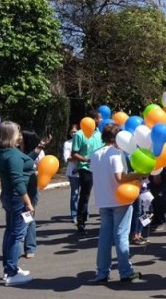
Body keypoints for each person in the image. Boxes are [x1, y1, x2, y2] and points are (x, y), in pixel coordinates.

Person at [0, 121, 47, 286]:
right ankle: (11, 272)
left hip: (10, 196)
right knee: (17, 235)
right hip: (17, 198)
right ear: (10, 135)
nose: (20, 135)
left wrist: (38, 149)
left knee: (11, 233)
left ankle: (10, 269)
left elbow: (24, 161)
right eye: (18, 132)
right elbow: (18, 180)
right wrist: (28, 202)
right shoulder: (12, 154)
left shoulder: (4, 151)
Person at [91, 124, 144, 284]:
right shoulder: (116, 154)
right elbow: (120, 177)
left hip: (103, 199)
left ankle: (102, 273)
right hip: (119, 199)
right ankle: (125, 272)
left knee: (105, 237)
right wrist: (138, 175)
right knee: (121, 236)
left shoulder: (95, 154)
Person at [72, 109, 104, 235]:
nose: (101, 120)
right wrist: (86, 159)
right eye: (99, 118)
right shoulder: (79, 134)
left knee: (102, 193)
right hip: (86, 169)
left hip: (100, 168)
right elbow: (74, 153)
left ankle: (104, 221)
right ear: (93, 120)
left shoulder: (99, 133)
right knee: (85, 196)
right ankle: (81, 223)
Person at [19, 130, 47, 259]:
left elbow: (43, 169)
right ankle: (18, 245)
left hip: (31, 186)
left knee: (28, 216)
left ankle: (30, 247)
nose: (18, 137)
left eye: (20, 136)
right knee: (20, 216)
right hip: (18, 187)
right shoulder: (16, 150)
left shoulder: (39, 153)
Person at [63, 125, 80, 225]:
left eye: (75, 132)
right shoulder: (67, 144)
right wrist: (78, 157)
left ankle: (83, 213)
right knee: (75, 193)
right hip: (73, 172)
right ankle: (74, 215)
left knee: (84, 194)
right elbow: (67, 158)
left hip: (84, 170)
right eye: (72, 132)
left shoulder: (83, 141)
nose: (73, 134)